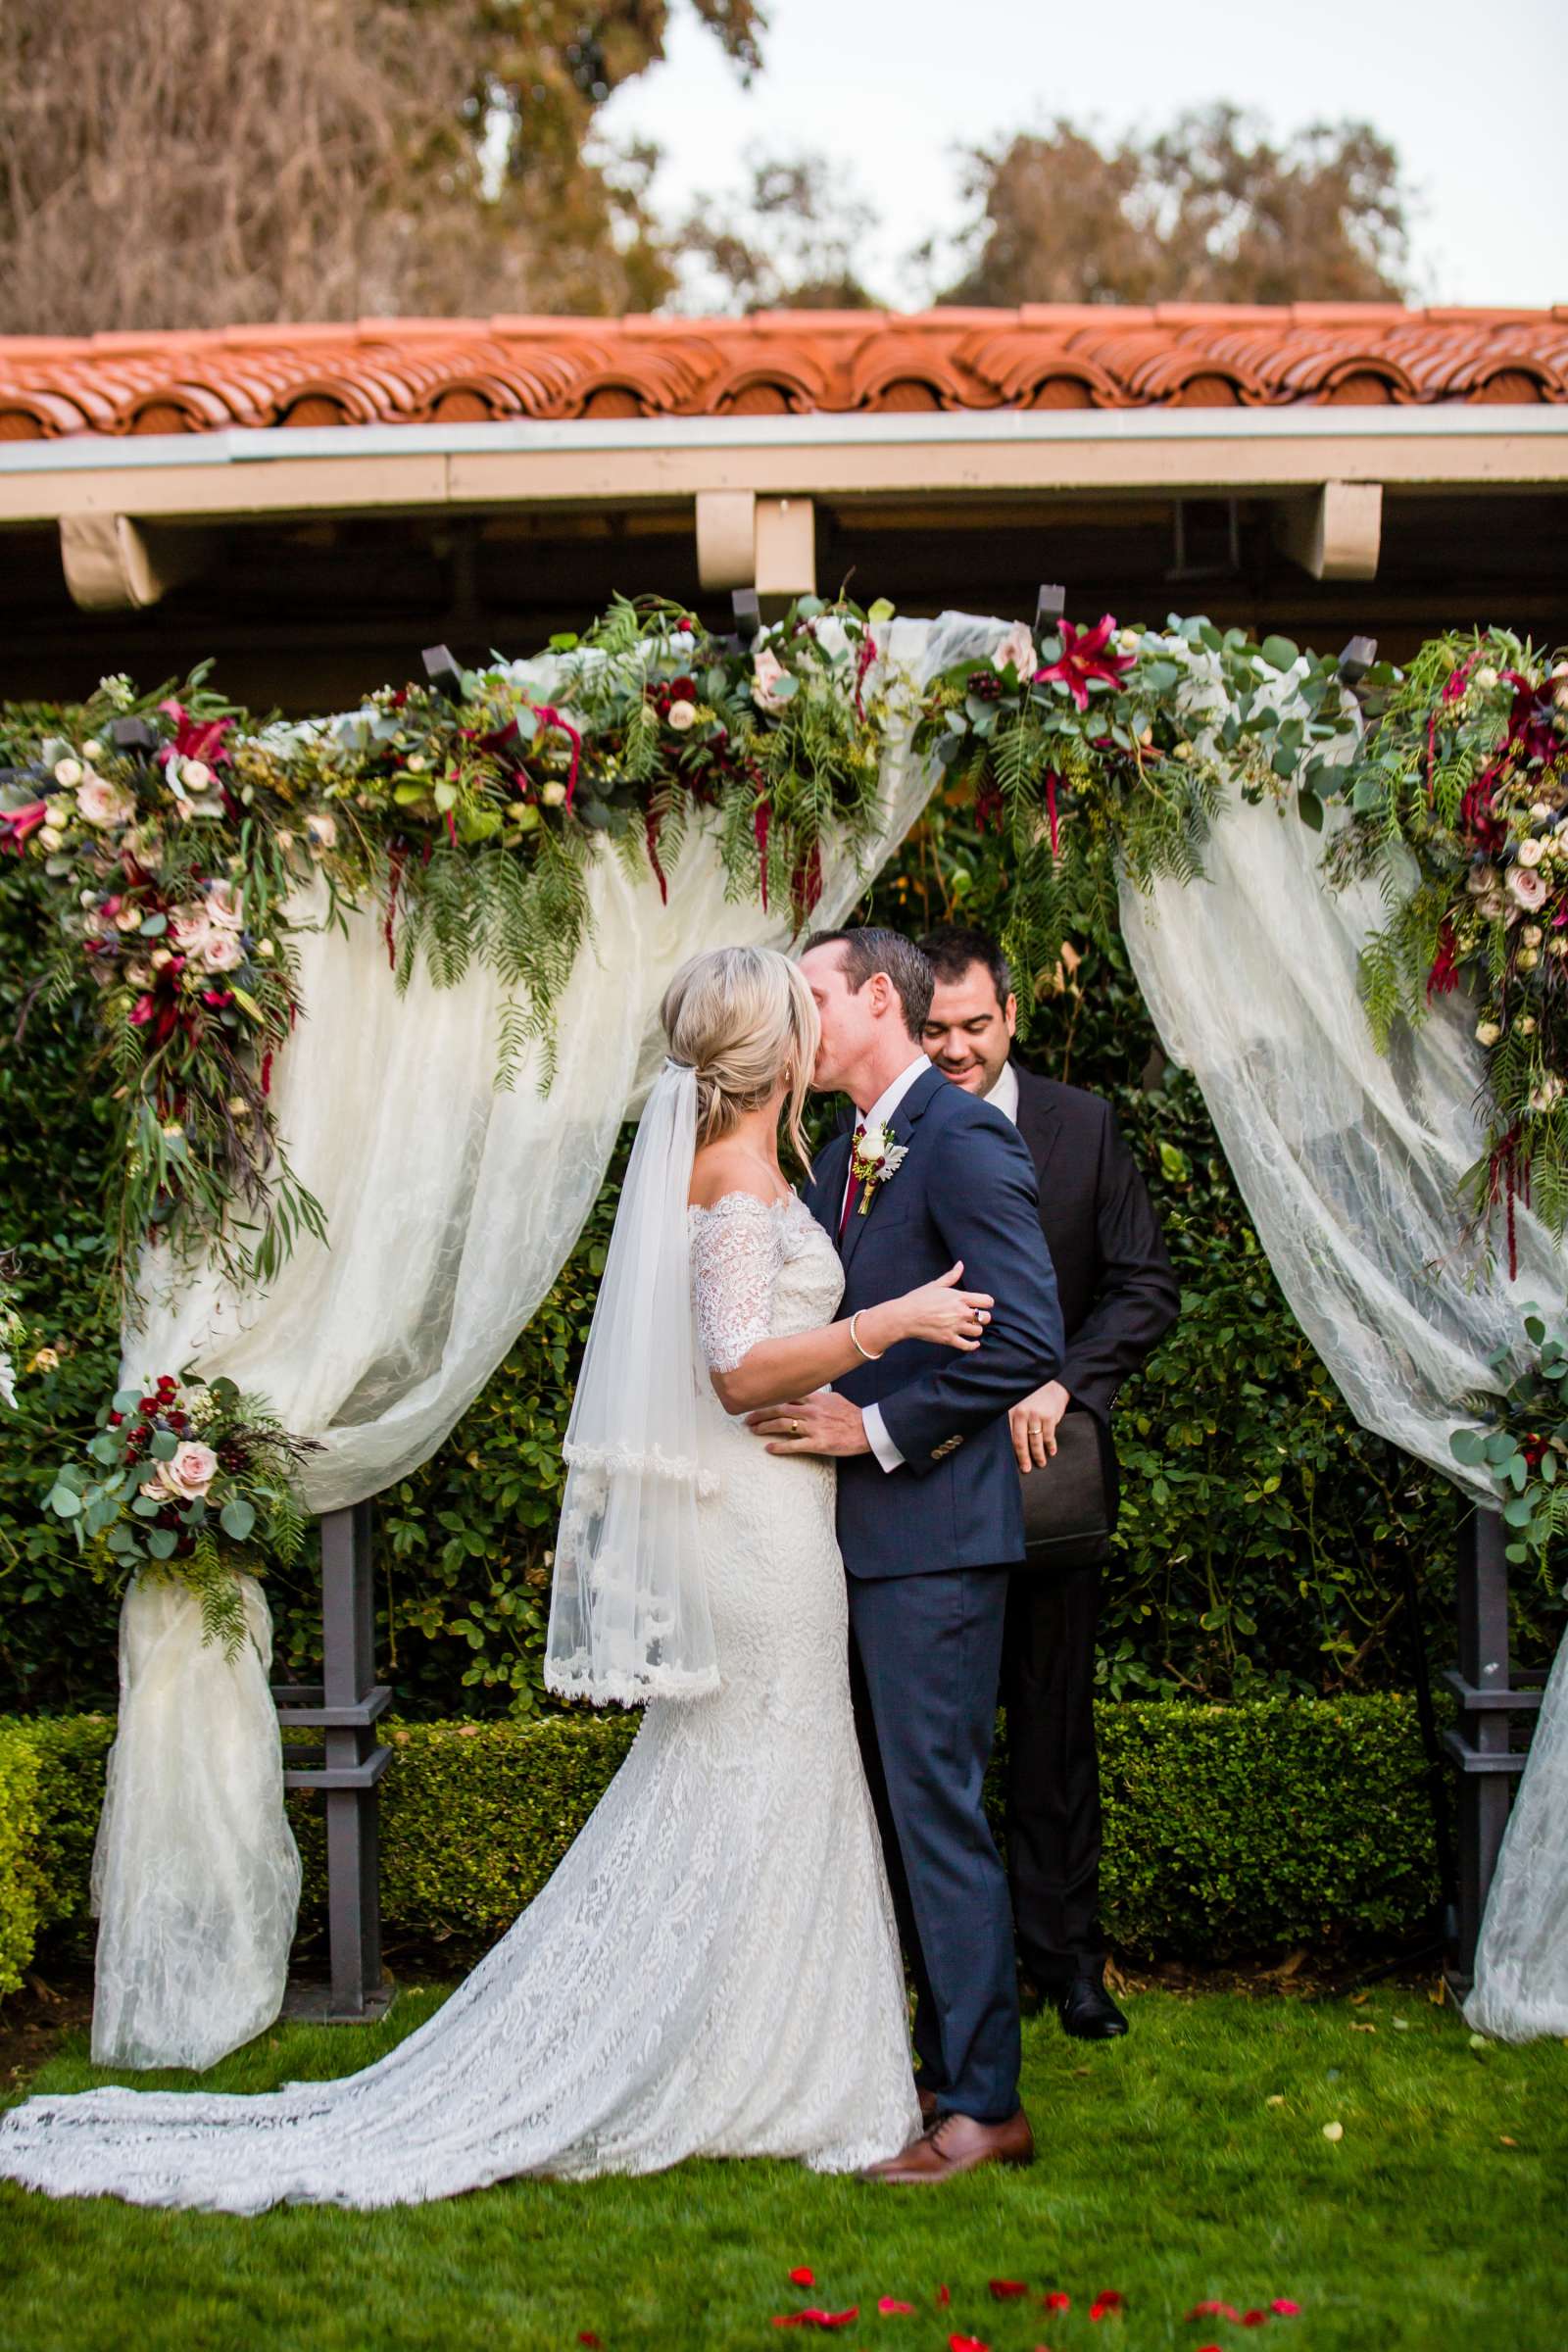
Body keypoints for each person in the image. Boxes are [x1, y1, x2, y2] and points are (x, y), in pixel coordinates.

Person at [0, 945, 1000, 2213]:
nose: (820, 1026)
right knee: (767, 1770)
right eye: (803, 1013)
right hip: (760, 1529)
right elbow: (738, 1366)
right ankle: (763, 2064)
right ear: (777, 1055)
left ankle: (784, 2057)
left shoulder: (757, 1163)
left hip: (778, 1514)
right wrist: (886, 1325)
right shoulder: (740, 1179)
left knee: (775, 1779)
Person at [746, 926, 1064, 2183]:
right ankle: (934, 2068)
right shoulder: (841, 1150)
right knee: (892, 1809)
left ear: (878, 998)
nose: (797, 1020)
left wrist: (872, 1425)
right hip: (852, 1541)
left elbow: (1026, 1331)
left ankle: (985, 2107)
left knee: (936, 1812)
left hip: (931, 1537)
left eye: (811, 997)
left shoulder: (967, 1134)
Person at [918, 923, 1179, 2041]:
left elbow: (1144, 1286)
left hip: (1046, 1480)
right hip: (920, 1483)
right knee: (937, 1739)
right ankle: (942, 1979)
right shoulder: (890, 1132)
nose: (956, 1049)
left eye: (974, 1026)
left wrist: (1067, 1386)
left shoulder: (1083, 1126)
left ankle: (1068, 1961)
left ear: (1011, 1014)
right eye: (933, 1031)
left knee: (1055, 1729)